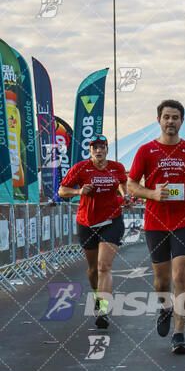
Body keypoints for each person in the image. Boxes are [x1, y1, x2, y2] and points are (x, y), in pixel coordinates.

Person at [127, 100, 185, 355]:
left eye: (175, 117)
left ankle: (179, 333)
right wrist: (152, 194)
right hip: (156, 222)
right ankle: (165, 307)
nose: (170, 121)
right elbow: (131, 185)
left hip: (184, 219)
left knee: (180, 274)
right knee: (161, 281)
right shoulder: (146, 151)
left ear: (182, 121)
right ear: (159, 120)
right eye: (166, 117)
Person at [59, 134, 131, 329]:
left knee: (103, 267)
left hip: (111, 220)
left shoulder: (117, 167)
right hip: (87, 221)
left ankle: (102, 310)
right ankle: (98, 294)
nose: (99, 150)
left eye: (102, 147)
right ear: (90, 150)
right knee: (92, 270)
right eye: (95, 147)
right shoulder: (80, 168)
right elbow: (62, 191)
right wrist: (78, 192)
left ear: (107, 149)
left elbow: (123, 184)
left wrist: (126, 196)